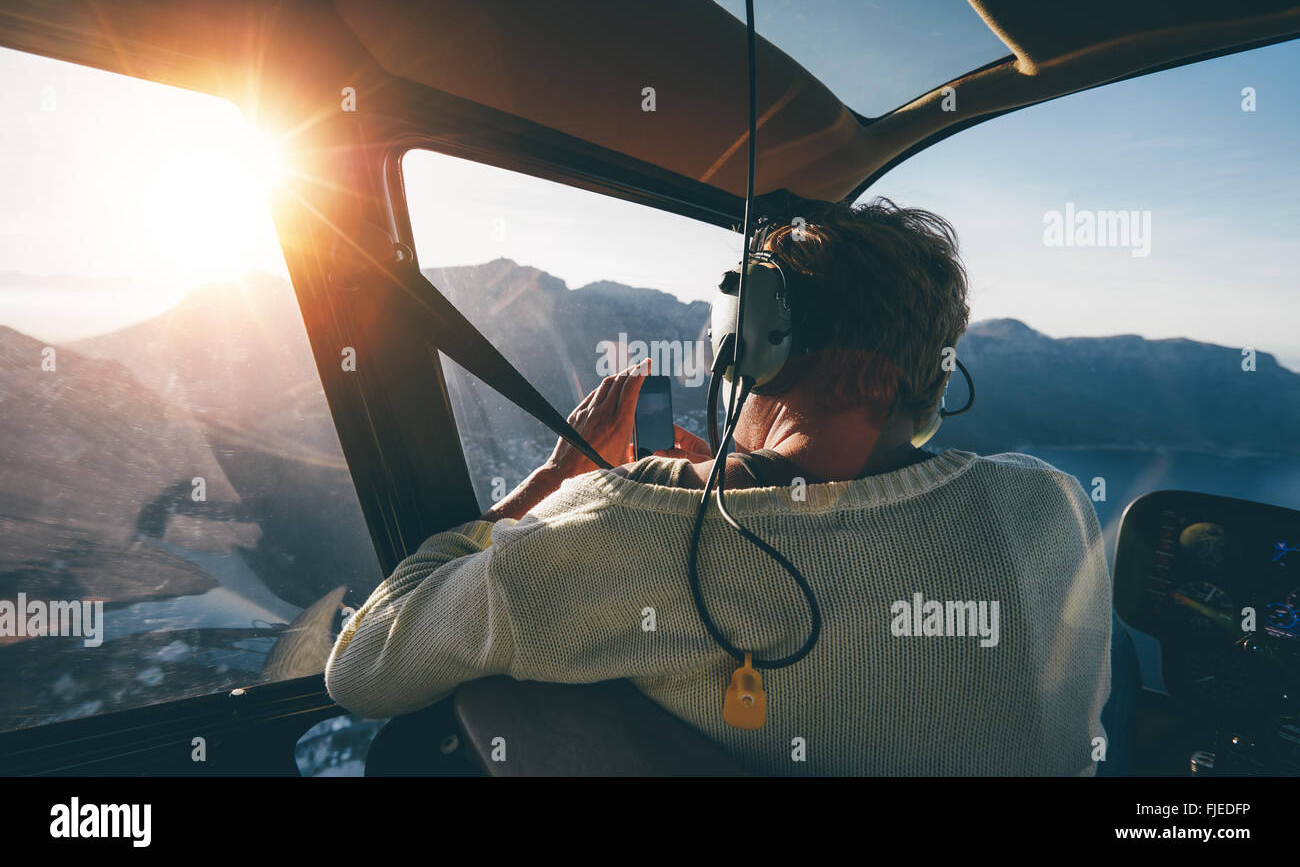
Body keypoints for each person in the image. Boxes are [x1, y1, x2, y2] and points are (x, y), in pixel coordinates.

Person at [324, 198, 1111, 776]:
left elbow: (363, 664)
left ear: (751, 344)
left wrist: (556, 480)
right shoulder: (1052, 501)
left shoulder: (648, 522)